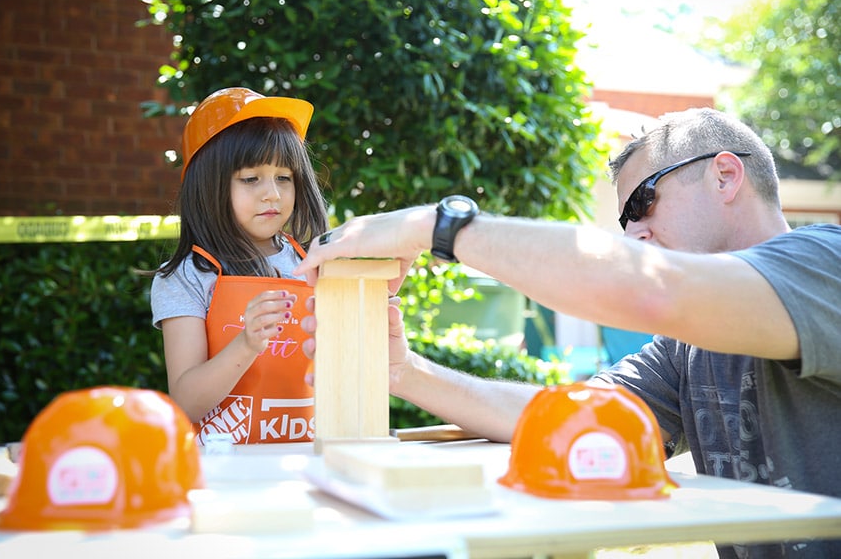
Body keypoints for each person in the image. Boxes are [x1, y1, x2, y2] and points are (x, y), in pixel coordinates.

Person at [295, 108, 841, 558]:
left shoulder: (827, 265)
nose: (635, 233)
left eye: (642, 201)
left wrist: (434, 228)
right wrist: (404, 372)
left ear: (725, 174)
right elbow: (567, 419)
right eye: (623, 223)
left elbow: (649, 288)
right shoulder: (690, 345)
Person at [150, 87, 329, 445]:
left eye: (284, 177)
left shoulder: (314, 264)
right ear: (208, 184)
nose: (272, 194)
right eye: (251, 179)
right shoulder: (186, 277)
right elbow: (184, 403)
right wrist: (247, 343)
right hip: (221, 475)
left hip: (305, 463)